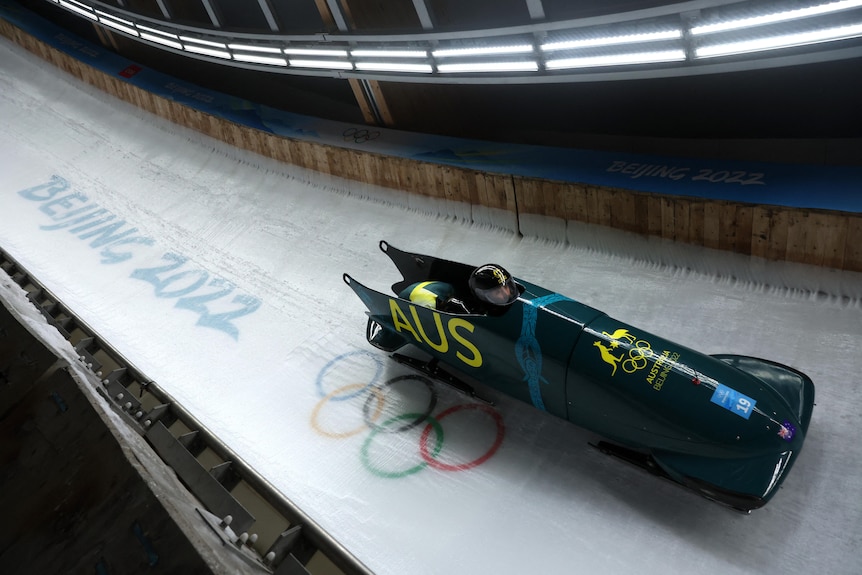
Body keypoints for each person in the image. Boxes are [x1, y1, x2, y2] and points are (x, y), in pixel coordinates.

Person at [400, 263, 518, 314]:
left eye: (506, 287)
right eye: (497, 292)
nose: (505, 294)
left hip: (441, 288)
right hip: (421, 296)